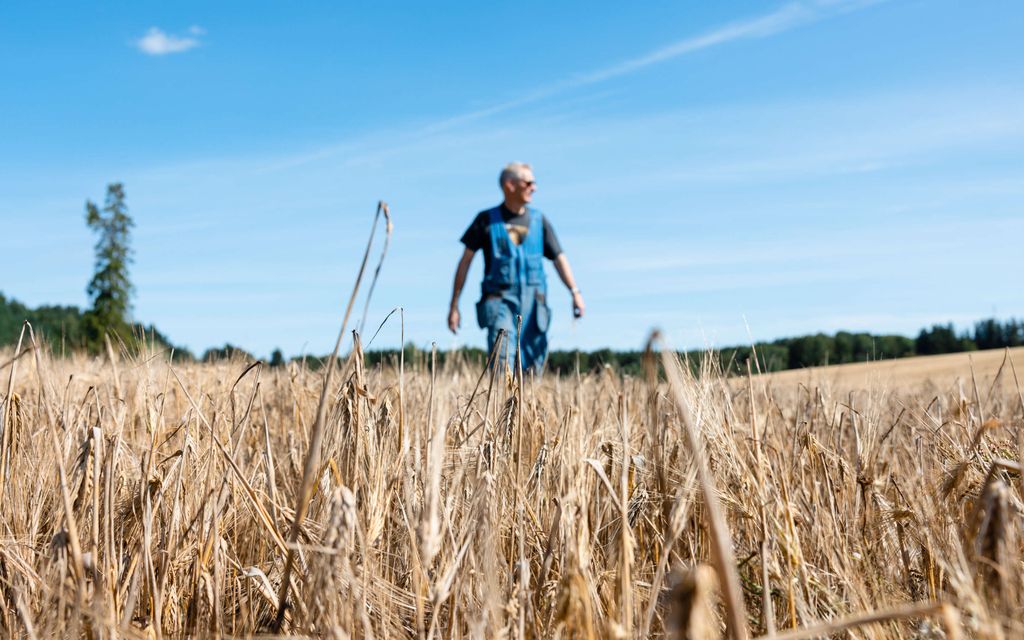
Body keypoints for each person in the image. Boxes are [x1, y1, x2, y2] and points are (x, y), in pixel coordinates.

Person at [447, 162, 585, 372]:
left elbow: (559, 258)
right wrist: (454, 305)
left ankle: (528, 405)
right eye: (528, 182)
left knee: (533, 367)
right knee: (502, 366)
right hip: (500, 303)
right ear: (510, 185)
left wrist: (575, 292)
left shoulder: (539, 221)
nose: (534, 188)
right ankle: (503, 405)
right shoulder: (485, 220)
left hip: (535, 306)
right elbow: (464, 262)